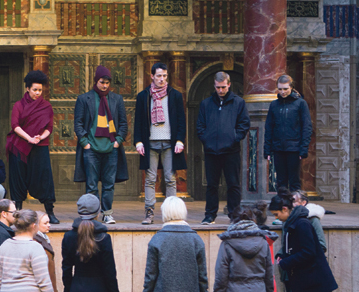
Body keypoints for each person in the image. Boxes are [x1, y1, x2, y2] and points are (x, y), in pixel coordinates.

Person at [73, 66, 129, 224]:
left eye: (107, 83)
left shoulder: (117, 99)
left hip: (111, 148)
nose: (105, 85)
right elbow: (78, 123)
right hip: (91, 149)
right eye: (102, 82)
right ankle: (92, 214)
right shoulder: (84, 99)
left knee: (109, 184)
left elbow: (123, 123)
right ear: (96, 81)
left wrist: (118, 141)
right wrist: (85, 143)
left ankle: (107, 213)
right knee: (91, 185)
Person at [133, 63, 187, 225]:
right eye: (158, 76)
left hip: (170, 142)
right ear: (152, 76)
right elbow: (138, 121)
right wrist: (138, 142)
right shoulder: (143, 96)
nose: (162, 79)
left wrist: (179, 140)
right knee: (150, 178)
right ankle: (149, 213)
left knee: (170, 178)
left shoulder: (175, 95)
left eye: (164, 76)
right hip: (150, 142)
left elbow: (181, 120)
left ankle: (171, 214)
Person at [278, 189, 327, 292]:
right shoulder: (289, 220)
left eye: (295, 200)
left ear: (303, 203)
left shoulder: (308, 221)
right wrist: (281, 254)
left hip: (304, 273)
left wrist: (291, 260)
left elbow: (318, 246)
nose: (292, 204)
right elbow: (288, 243)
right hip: (291, 271)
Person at [196, 72, 250, 225]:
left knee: (233, 184)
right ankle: (210, 215)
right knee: (211, 185)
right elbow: (200, 125)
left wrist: (234, 138)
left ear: (229, 85)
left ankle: (235, 216)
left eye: (223, 87)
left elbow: (244, 124)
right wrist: (206, 140)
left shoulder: (238, 103)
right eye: (218, 87)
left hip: (231, 151)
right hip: (211, 151)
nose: (220, 90)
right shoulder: (206, 104)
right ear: (214, 85)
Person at [7, 71, 59, 224]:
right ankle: (17, 214)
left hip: (40, 146)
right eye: (35, 90)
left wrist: (39, 137)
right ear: (27, 89)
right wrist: (29, 138)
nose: (37, 93)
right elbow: (15, 125)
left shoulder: (46, 106)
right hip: (20, 146)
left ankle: (50, 211)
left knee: (45, 178)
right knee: (18, 178)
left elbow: (49, 127)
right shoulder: (19, 105)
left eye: (40, 90)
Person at [264, 75, 312, 192]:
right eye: (280, 89)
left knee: (294, 181)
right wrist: (267, 149)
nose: (283, 92)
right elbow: (269, 127)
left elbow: (306, 126)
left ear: (291, 87)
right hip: (278, 147)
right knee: (280, 181)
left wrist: (303, 148)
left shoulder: (300, 103)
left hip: (294, 148)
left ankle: (295, 208)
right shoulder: (274, 105)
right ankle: (283, 207)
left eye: (285, 89)